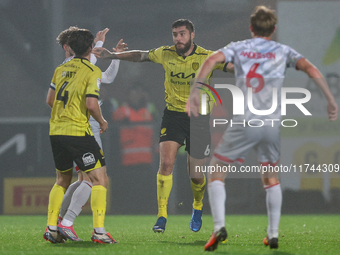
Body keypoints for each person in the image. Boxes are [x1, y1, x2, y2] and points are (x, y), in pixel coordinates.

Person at [186, 6, 338, 251]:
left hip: (246, 120)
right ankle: (273, 234)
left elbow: (212, 59)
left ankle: (218, 228)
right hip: (271, 124)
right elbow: (312, 68)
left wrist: (196, 90)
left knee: (215, 171)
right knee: (270, 176)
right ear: (274, 29)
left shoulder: (240, 47)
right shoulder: (282, 50)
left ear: (251, 28)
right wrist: (330, 100)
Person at [92, 19, 234, 233]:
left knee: (196, 173)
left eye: (182, 34)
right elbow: (140, 55)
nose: (178, 38)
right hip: (173, 116)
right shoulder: (165, 53)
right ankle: (162, 215)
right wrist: (112, 55)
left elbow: (231, 66)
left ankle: (197, 206)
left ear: (192, 35)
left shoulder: (207, 57)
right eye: (175, 34)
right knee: (166, 164)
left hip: (199, 118)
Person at [44, 27, 127, 244]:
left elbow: (50, 101)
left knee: (64, 179)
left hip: (56, 130)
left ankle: (53, 226)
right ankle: (90, 229)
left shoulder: (60, 69)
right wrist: (101, 121)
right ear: (90, 48)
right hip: (81, 129)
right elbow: (92, 101)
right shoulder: (90, 70)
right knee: (98, 178)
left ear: (68, 48)